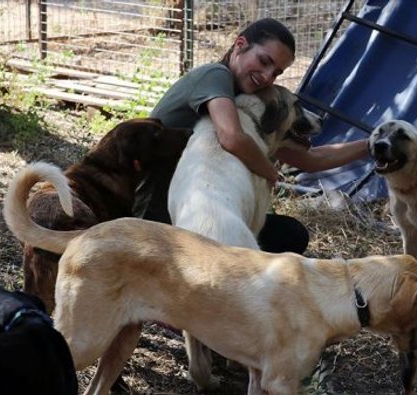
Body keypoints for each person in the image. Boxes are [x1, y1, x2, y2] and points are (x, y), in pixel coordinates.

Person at [133, 17, 369, 254]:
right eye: (263, 61)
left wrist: (370, 146)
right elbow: (231, 137)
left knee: (292, 235)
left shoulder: (246, 107)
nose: (267, 77)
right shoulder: (215, 76)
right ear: (240, 44)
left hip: (194, 210)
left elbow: (310, 160)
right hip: (154, 219)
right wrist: (269, 172)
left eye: (276, 72)